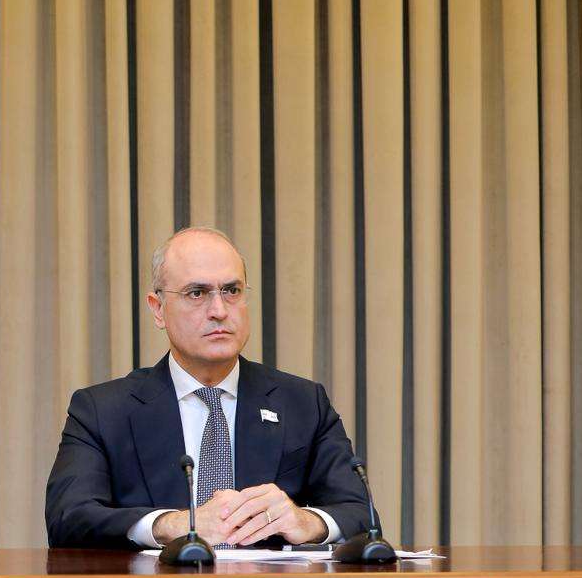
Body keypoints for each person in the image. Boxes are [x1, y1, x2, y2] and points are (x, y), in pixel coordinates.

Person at [45, 227, 367, 550]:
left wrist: (305, 521)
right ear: (158, 309)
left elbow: (361, 515)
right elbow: (67, 517)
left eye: (231, 291)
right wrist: (172, 525)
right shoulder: (103, 411)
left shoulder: (302, 404)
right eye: (197, 293)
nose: (219, 311)